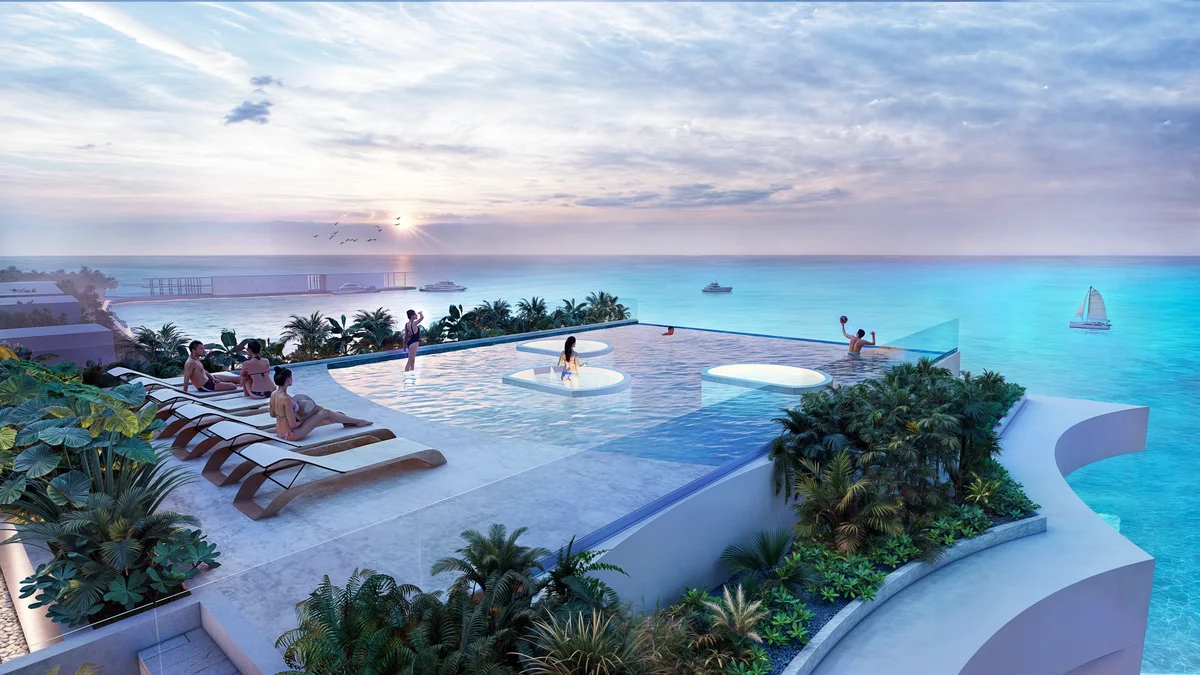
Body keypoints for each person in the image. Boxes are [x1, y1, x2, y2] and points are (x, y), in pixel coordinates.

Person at [269, 367, 371, 441]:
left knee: (316, 408)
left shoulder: (274, 394)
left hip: (280, 432)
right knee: (325, 413)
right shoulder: (286, 399)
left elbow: (272, 414)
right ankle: (357, 421)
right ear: (288, 379)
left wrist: (285, 415)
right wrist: (306, 419)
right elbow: (293, 424)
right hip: (291, 434)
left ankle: (340, 418)